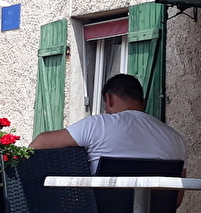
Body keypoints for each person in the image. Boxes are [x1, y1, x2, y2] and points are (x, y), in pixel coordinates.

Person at [29, 73, 186, 171]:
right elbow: (177, 200)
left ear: (109, 99)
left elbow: (40, 143)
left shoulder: (98, 125)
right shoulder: (175, 138)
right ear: (143, 102)